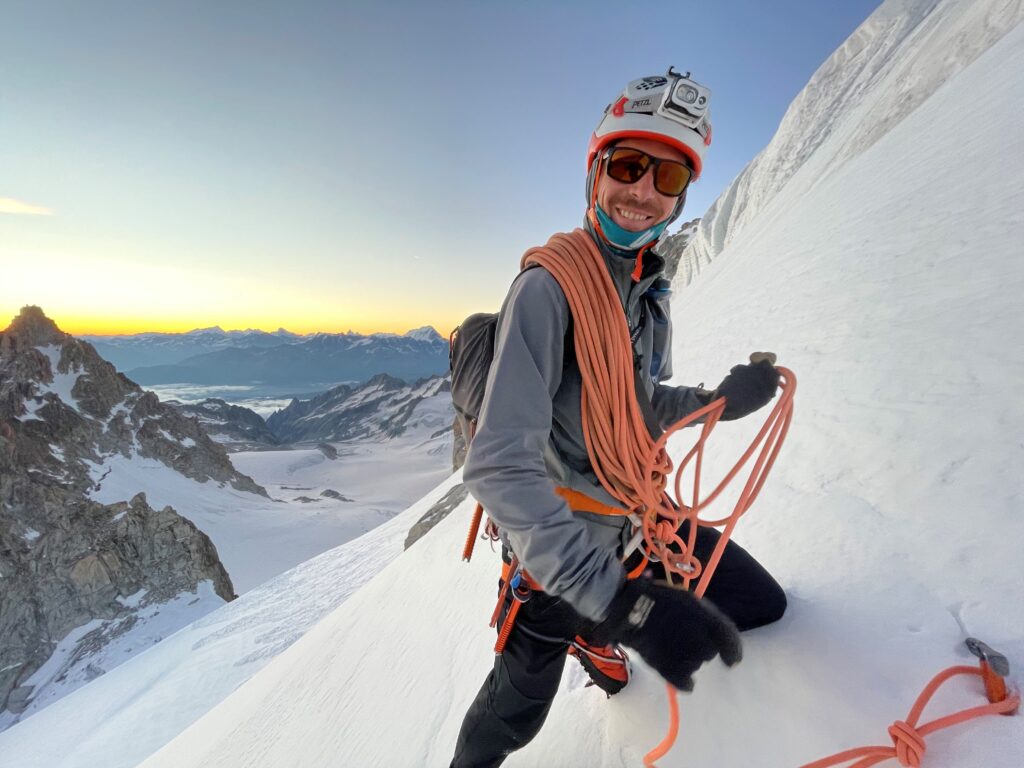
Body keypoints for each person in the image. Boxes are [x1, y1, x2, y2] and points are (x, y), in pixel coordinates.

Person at [450, 69, 787, 768]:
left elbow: (630, 405)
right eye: (629, 166)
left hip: (635, 522)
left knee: (760, 602)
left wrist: (720, 400)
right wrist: (621, 605)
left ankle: (595, 634)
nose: (643, 192)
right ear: (596, 172)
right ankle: (583, 634)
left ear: (682, 195)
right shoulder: (549, 290)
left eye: (666, 178)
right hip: (561, 551)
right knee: (513, 716)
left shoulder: (641, 289)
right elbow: (497, 463)